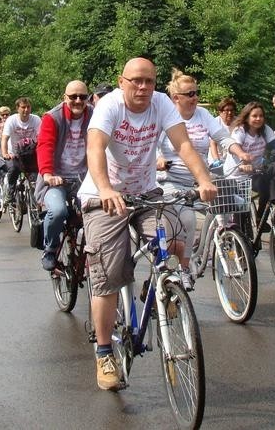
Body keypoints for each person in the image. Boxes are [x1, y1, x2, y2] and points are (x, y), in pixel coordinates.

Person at [77, 57, 217, 390]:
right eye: (136, 80)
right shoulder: (109, 107)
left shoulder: (160, 105)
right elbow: (95, 148)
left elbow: (183, 144)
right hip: (103, 196)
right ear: (122, 81)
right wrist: (106, 188)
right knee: (109, 274)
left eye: (149, 81)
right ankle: (105, 352)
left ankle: (158, 287)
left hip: (145, 192)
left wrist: (204, 179)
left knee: (174, 236)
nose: (143, 87)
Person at [156, 70, 251, 289]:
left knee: (230, 202)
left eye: (196, 92)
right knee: (187, 219)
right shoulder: (167, 116)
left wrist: (240, 152)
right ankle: (184, 267)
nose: (195, 97)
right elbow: (153, 146)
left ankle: (221, 239)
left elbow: (222, 137)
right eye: (189, 94)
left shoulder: (202, 114)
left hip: (201, 180)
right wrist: (159, 159)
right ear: (176, 98)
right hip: (172, 180)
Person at [35, 80, 93, 271]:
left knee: (96, 213)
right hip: (56, 179)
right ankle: (50, 248)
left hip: (84, 179)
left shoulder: (94, 115)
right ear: (64, 97)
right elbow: (45, 146)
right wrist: (48, 174)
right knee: (58, 211)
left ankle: (93, 251)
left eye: (82, 97)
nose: (78, 100)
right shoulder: (53, 117)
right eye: (73, 97)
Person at [224, 101, 275, 230]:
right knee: (241, 212)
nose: (258, 119)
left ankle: (260, 218)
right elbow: (237, 149)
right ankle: (239, 239)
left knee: (267, 184)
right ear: (247, 117)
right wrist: (244, 163)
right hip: (236, 173)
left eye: (261, 116)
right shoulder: (240, 131)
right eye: (254, 116)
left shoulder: (265, 130)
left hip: (254, 171)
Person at [0, 97, 41, 204]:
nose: (26, 110)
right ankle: (10, 191)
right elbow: (5, 138)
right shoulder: (12, 120)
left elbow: (41, 138)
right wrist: (5, 153)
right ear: (17, 108)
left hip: (30, 153)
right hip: (14, 154)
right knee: (13, 169)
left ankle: (35, 202)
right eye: (23, 107)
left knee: (35, 176)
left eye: (28, 107)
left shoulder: (36, 119)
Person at [208, 97, 238, 164]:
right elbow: (212, 143)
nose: (230, 113)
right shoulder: (215, 122)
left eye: (232, 110)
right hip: (216, 155)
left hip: (232, 157)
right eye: (227, 110)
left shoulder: (238, 122)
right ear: (220, 112)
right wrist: (216, 159)